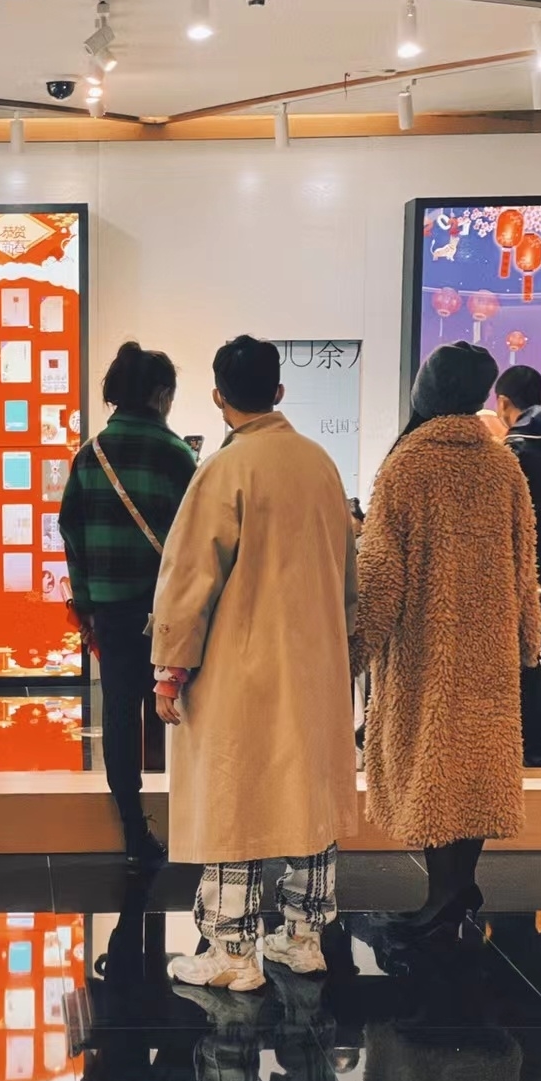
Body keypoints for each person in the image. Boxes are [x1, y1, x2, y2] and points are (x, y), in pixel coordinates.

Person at [154, 335, 357, 991]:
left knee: (234, 800)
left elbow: (189, 581)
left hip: (240, 668)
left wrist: (170, 668)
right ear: (279, 391)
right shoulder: (321, 464)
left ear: (218, 396)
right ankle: (303, 938)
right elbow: (349, 577)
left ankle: (232, 950)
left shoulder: (224, 470)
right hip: (315, 665)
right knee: (308, 797)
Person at [352, 342, 541, 935]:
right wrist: (525, 638)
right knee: (475, 767)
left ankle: (444, 896)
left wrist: (357, 647)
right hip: (488, 646)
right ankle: (459, 886)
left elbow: (380, 571)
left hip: (425, 648)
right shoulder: (501, 465)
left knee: (432, 766)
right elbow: (525, 561)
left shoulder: (407, 466)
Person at [59, 342, 197, 868]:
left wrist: (88, 605)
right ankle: (196, 823)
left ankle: (134, 830)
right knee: (186, 707)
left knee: (120, 715)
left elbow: (72, 534)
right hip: (171, 611)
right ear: (161, 395)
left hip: (113, 611)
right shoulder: (178, 456)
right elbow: (197, 538)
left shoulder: (89, 455)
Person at [497, 364, 541, 765]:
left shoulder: (510, 455)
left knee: (530, 660)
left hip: (528, 582)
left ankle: (531, 745)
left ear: (502, 403)